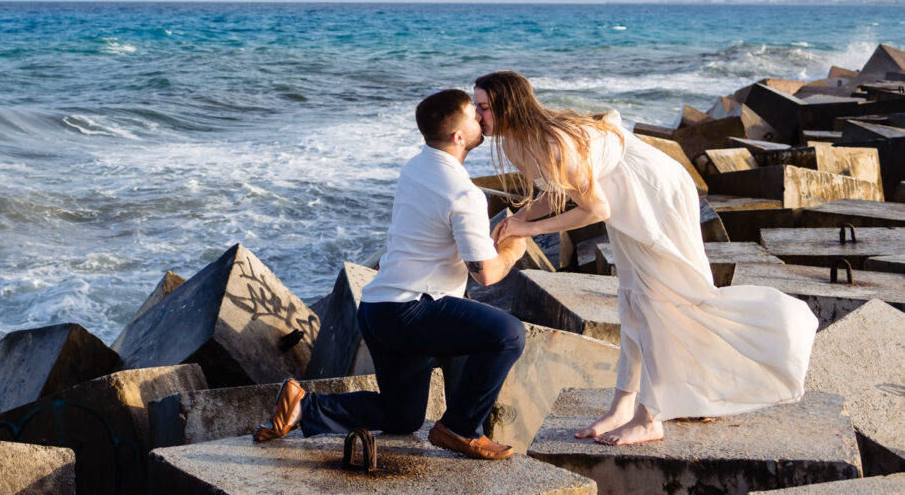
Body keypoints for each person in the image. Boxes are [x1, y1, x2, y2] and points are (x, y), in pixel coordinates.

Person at [475, 71, 817, 446]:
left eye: (484, 107)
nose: (478, 116)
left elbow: (595, 209)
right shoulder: (516, 143)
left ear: (509, 106)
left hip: (655, 194)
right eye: (477, 107)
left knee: (663, 300)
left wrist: (530, 229)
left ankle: (651, 416)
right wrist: (518, 218)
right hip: (627, 200)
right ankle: (623, 407)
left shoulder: (553, 141)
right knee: (633, 301)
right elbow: (558, 189)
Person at [252, 88, 530, 460]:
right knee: (508, 334)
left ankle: (305, 407)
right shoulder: (464, 194)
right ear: (458, 136)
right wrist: (514, 248)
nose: (481, 118)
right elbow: (486, 275)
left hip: (377, 309)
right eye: (473, 114)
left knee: (402, 416)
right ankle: (461, 429)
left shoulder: (416, 167)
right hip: (411, 311)